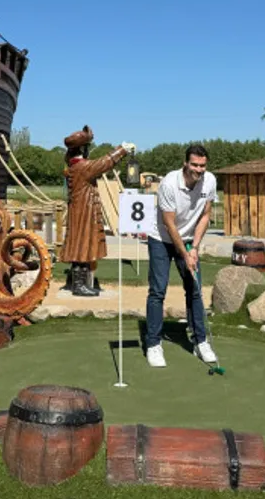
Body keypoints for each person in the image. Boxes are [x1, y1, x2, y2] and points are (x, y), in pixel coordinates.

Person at [144, 144, 218, 367]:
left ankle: (200, 341)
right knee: (158, 290)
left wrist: (194, 248)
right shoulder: (168, 184)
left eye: (203, 165)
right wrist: (184, 255)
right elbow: (168, 223)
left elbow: (205, 216)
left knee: (194, 289)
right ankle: (153, 344)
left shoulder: (210, 181)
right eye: (195, 164)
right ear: (185, 163)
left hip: (188, 240)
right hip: (162, 239)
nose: (199, 169)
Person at [59, 125, 136, 296]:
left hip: (81, 211)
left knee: (82, 246)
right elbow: (104, 163)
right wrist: (122, 150)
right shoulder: (82, 167)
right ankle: (79, 285)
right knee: (82, 247)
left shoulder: (75, 166)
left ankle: (76, 282)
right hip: (83, 213)